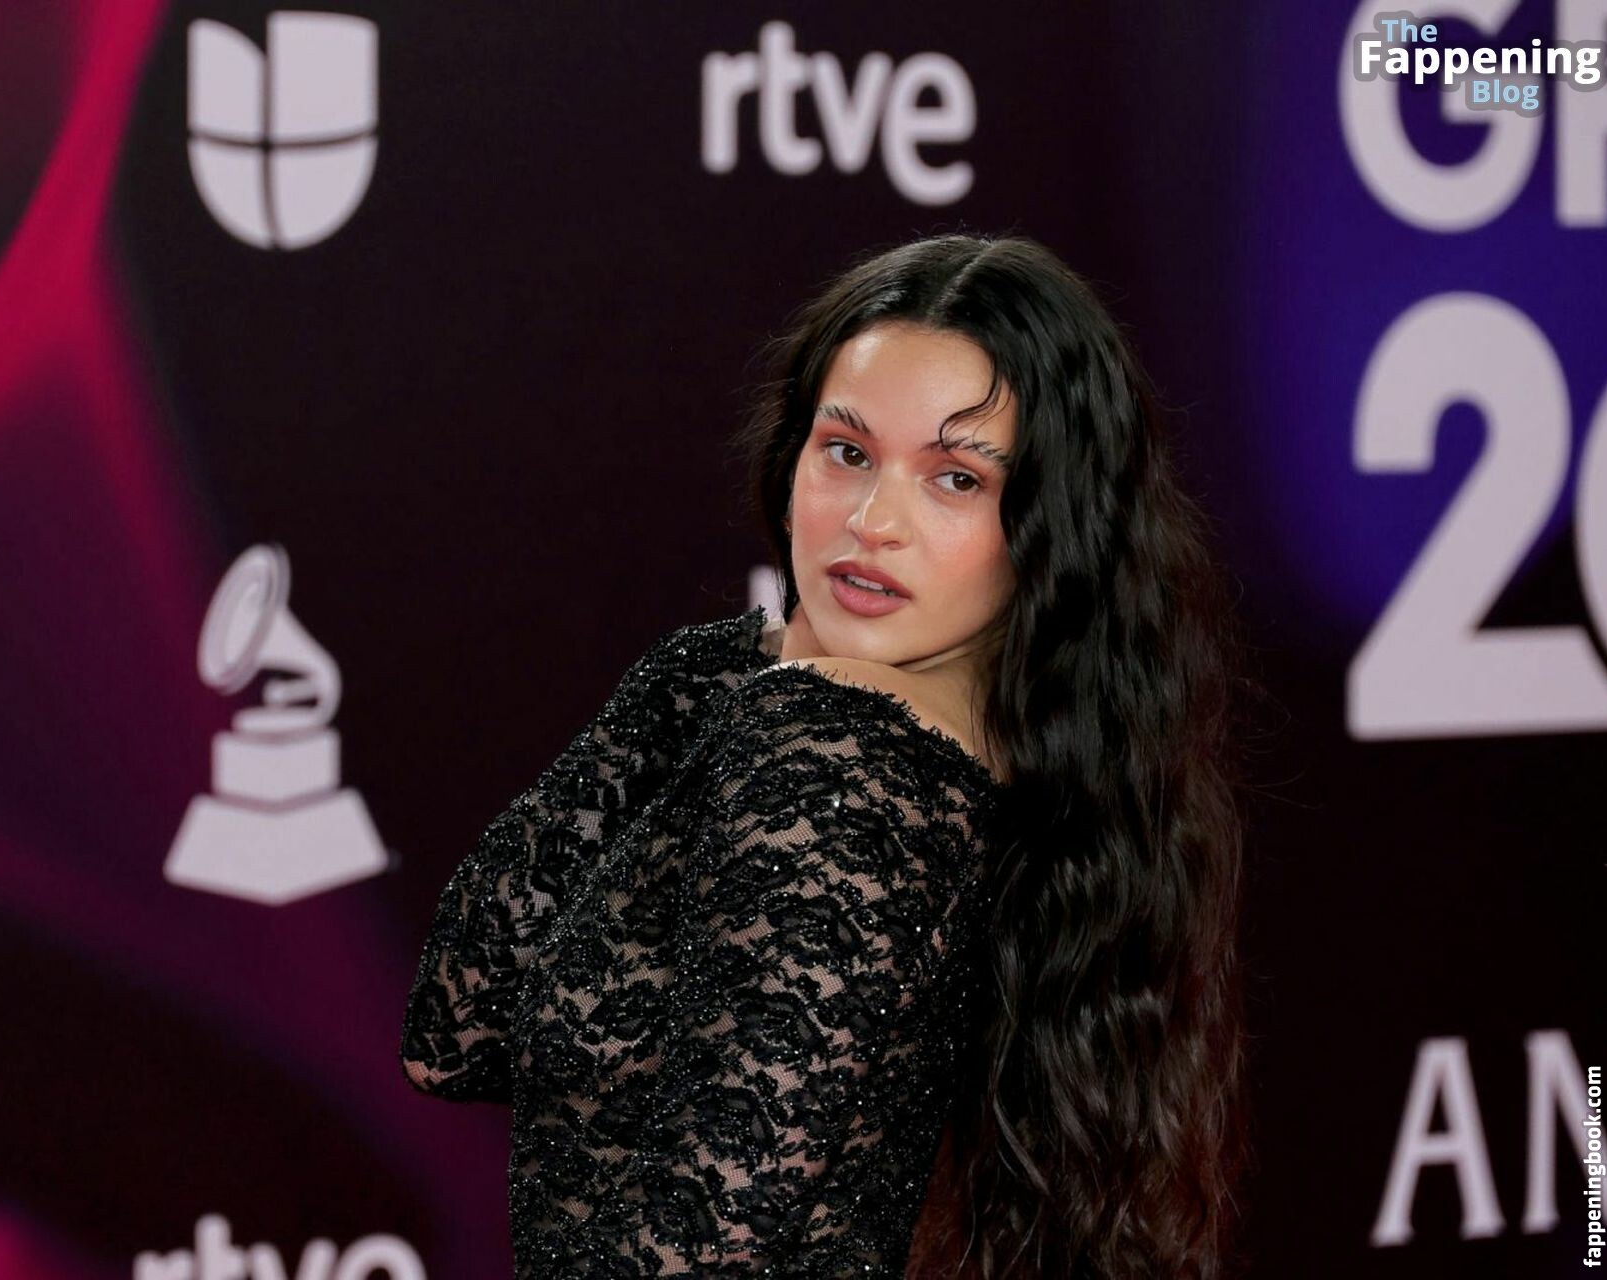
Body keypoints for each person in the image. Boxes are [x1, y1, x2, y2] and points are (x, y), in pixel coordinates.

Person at [399, 233, 1251, 1278]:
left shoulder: (835, 757)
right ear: (790, 456)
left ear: (1048, 525)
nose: (873, 521)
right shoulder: (971, 748)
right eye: (846, 452)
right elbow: (453, 1031)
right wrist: (707, 677)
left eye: (955, 478)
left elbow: (690, 1246)